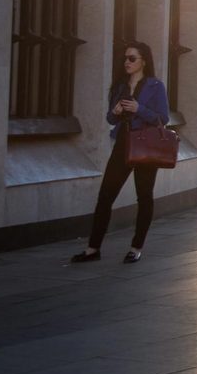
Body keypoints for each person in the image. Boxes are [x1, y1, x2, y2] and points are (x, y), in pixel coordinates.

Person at [72, 41, 170, 265]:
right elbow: (109, 119)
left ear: (144, 60)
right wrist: (115, 112)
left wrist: (139, 109)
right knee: (105, 195)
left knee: (144, 197)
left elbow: (163, 118)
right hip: (123, 143)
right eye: (125, 58)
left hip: (146, 145)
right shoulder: (119, 87)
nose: (127, 62)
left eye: (132, 58)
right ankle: (92, 249)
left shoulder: (156, 86)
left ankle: (136, 247)